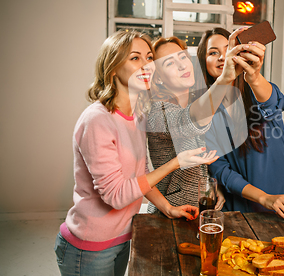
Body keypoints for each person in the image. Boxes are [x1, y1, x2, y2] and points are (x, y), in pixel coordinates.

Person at [54, 31, 217, 276]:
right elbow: (116, 196)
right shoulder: (98, 120)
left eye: (149, 58)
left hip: (123, 237)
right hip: (88, 248)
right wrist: (175, 162)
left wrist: (167, 207)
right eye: (135, 58)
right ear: (112, 68)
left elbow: (140, 174)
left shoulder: (136, 116)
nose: (147, 65)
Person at [198, 27, 284, 220]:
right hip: (241, 208)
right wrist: (264, 198)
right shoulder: (204, 112)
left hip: (283, 200)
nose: (223, 56)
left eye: (229, 49)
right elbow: (221, 171)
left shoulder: (257, 89)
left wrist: (253, 77)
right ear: (204, 62)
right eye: (213, 52)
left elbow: (274, 104)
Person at [146, 36, 247, 212]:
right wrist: (224, 79)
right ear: (159, 78)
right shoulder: (158, 112)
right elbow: (189, 121)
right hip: (168, 215)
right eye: (169, 63)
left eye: (183, 57)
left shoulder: (196, 101)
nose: (182, 65)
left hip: (199, 211)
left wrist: (214, 188)